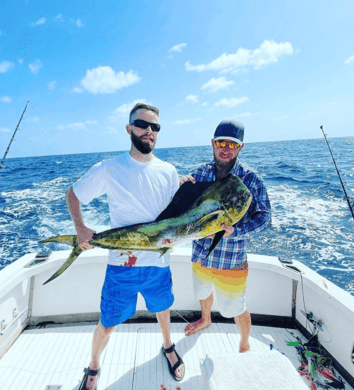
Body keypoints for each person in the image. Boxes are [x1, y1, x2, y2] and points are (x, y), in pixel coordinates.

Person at [67, 103, 185, 390]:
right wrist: (81, 229)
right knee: (108, 322)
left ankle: (168, 347)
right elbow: (73, 194)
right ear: (129, 128)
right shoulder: (109, 168)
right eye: (143, 124)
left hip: (158, 262)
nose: (149, 131)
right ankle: (94, 364)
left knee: (163, 309)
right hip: (123, 266)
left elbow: (173, 211)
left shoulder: (168, 170)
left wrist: (185, 187)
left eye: (155, 127)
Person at [180, 119, 271, 353]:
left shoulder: (252, 180)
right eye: (222, 143)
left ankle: (244, 343)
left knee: (235, 308)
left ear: (241, 147)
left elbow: (264, 219)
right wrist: (178, 185)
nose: (226, 148)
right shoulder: (198, 174)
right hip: (200, 254)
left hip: (231, 259)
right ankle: (205, 318)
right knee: (202, 292)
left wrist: (236, 232)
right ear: (213, 143)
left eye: (233, 144)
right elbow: (180, 209)